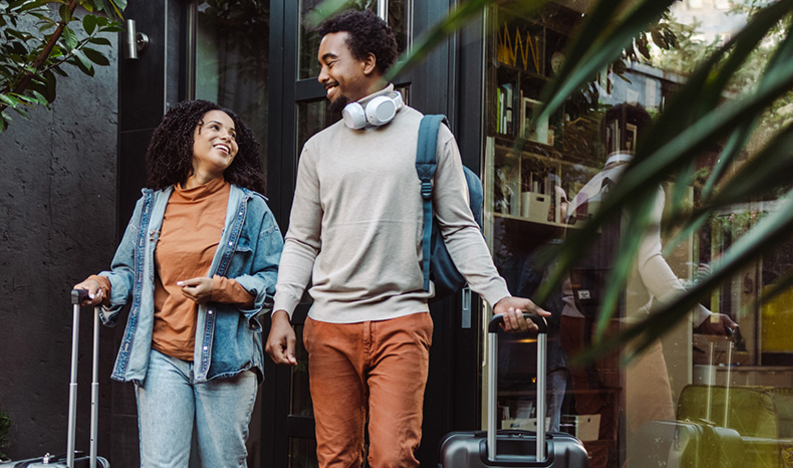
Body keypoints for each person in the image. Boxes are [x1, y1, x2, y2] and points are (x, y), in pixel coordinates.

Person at [263, 10, 549, 468]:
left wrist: (499, 297)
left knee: (394, 458)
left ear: (368, 61)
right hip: (329, 326)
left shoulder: (429, 135)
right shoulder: (317, 149)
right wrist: (282, 311)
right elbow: (300, 240)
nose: (321, 75)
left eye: (330, 62)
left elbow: (459, 228)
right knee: (335, 459)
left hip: (402, 323)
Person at [72, 100, 282, 468]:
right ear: (186, 137)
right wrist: (103, 283)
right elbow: (129, 273)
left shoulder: (251, 208)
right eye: (214, 128)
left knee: (223, 463)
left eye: (233, 134)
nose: (226, 138)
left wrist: (225, 289)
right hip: (160, 357)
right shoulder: (151, 206)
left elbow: (276, 277)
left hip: (225, 362)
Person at [564, 103, 737, 450]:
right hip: (625, 328)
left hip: (578, 328)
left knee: (593, 437)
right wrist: (701, 316)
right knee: (655, 436)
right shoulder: (646, 186)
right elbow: (648, 262)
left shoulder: (582, 193)